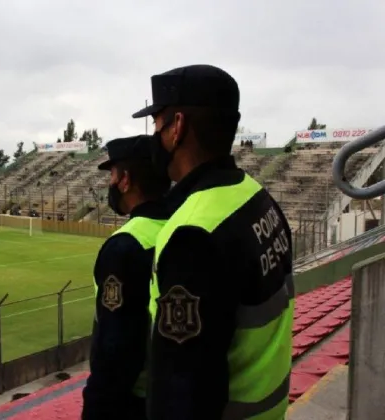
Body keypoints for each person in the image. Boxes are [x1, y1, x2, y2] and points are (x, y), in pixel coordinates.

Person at [131, 65, 294, 420]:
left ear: (177, 127)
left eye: (157, 125)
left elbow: (182, 392)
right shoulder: (258, 199)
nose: (154, 137)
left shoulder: (193, 235)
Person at [82, 135, 171, 420]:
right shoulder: (182, 226)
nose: (110, 183)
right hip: (166, 395)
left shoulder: (123, 246)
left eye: (112, 174)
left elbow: (115, 351)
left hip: (132, 402)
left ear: (125, 180)